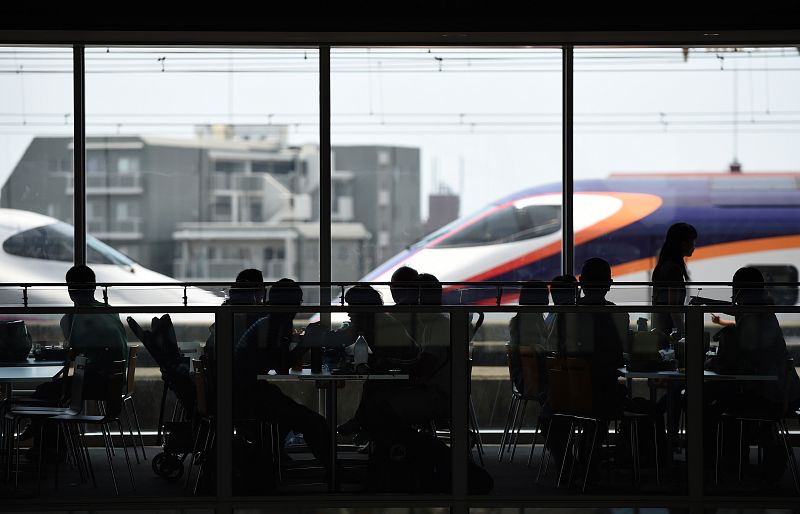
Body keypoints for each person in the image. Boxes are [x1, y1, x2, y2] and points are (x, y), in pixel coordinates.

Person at [206, 272, 331, 475]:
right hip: (246, 395)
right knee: (314, 422)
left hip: (241, 390)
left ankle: (277, 456)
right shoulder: (276, 325)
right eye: (298, 303)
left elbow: (278, 362)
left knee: (292, 413)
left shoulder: (270, 322)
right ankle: (334, 471)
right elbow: (282, 366)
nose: (299, 308)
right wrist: (308, 342)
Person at [703, 266, 800, 482]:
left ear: (740, 291)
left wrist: (710, 360)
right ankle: (732, 463)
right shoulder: (762, 312)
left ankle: (718, 467)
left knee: (710, 403)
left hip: (768, 396)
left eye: (736, 291)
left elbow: (733, 364)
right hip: (780, 393)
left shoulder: (754, 317)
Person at [25, 265, 128, 460]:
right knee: (53, 390)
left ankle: (48, 447)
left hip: (101, 382)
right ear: (94, 286)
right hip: (115, 382)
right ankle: (48, 443)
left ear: (71, 289)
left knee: (47, 392)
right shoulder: (107, 310)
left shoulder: (82, 316)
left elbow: (71, 351)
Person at [651, 222, 698, 341]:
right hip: (670, 334)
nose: (694, 246)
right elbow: (674, 309)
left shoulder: (664, 266)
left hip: (662, 331)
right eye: (693, 242)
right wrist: (684, 335)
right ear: (683, 244)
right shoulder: (673, 269)